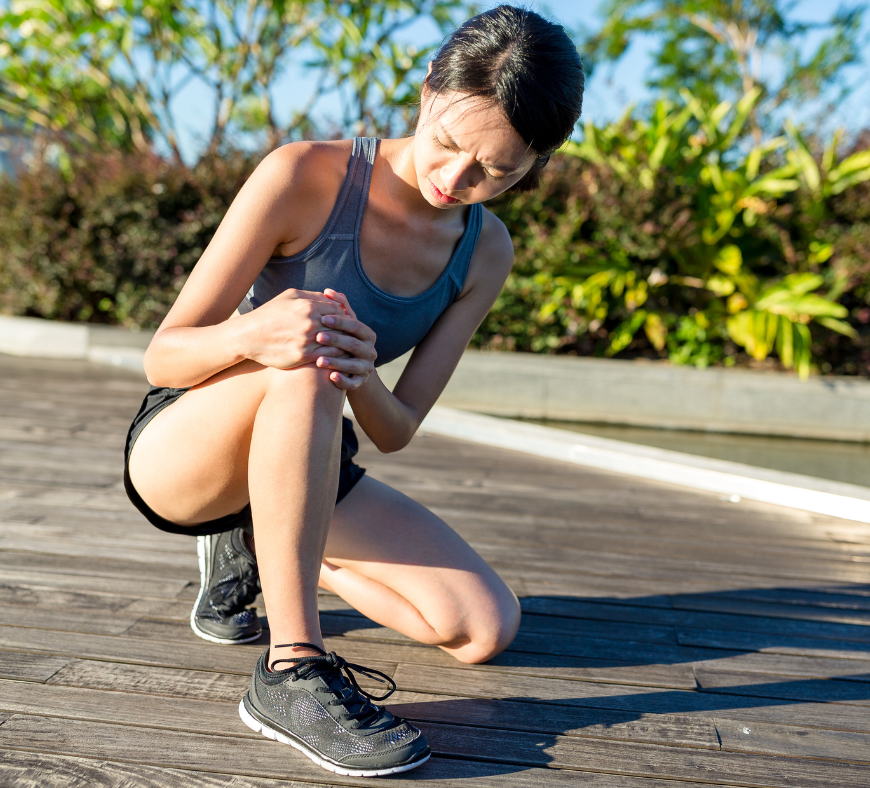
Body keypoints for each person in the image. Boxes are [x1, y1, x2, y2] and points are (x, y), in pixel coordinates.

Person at [122, 4, 583, 778]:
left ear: (538, 161)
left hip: (310, 457)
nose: (456, 180)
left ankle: (269, 542)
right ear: (428, 89)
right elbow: (163, 358)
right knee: (308, 350)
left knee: (483, 629)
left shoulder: (484, 252)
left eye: (497, 172)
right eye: (447, 146)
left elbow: (397, 429)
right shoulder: (303, 174)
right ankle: (292, 670)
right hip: (185, 449)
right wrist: (253, 335)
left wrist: (363, 372)